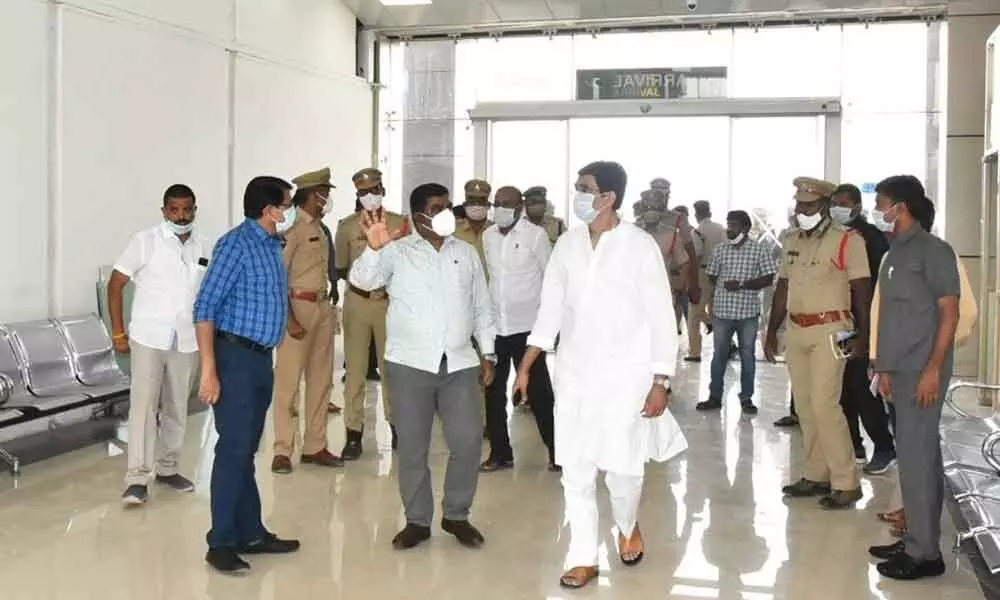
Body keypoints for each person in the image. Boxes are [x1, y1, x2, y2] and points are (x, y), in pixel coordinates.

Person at [515, 161, 687, 590]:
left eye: (584, 188)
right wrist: (528, 361)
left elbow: (662, 317)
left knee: (623, 472)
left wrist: (661, 380)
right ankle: (582, 555)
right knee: (576, 468)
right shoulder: (567, 245)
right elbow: (551, 306)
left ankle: (627, 524)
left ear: (608, 197)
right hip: (573, 374)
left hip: (626, 376)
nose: (577, 193)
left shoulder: (639, 245)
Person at [350, 182, 497, 551]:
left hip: (460, 361)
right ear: (419, 215)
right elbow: (363, 280)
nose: (447, 212)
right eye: (438, 207)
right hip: (409, 364)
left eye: (449, 205)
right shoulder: (396, 252)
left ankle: (457, 514)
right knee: (413, 448)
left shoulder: (465, 252)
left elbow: (482, 307)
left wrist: (489, 353)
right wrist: (372, 246)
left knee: (466, 442)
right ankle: (417, 520)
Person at [194, 176, 300, 574]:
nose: (289, 210)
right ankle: (220, 542)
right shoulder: (236, 245)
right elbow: (204, 308)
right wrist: (210, 371)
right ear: (269, 209)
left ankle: (250, 532)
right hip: (234, 358)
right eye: (286, 204)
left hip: (259, 359)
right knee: (233, 450)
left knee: (245, 450)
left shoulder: (272, 245)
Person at [866, 176, 960, 581]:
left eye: (882, 203)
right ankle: (917, 537)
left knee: (918, 460)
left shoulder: (934, 251)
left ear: (900, 206)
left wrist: (934, 369)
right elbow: (890, 318)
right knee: (919, 459)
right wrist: (884, 369)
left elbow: (949, 313)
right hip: (898, 371)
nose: (878, 209)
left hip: (923, 372)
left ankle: (925, 554)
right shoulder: (892, 253)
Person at [764, 176, 872, 510]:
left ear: (824, 205)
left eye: (808, 205)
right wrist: (771, 331)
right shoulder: (792, 239)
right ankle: (816, 474)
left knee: (826, 404)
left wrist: (865, 336)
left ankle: (846, 481)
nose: (801, 210)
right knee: (806, 407)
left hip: (833, 329)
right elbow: (783, 286)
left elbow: (863, 291)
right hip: (797, 331)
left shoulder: (848, 240)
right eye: (799, 205)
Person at [109, 184, 208, 507]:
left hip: (186, 339)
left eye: (187, 209)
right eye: (174, 209)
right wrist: (119, 333)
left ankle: (168, 469)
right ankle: (137, 478)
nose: (181, 216)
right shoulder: (145, 241)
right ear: (164, 210)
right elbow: (116, 283)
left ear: (194, 210)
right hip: (149, 337)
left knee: (178, 406)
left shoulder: (202, 245)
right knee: (144, 407)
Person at [270, 168, 344, 474]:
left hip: (322, 308)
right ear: (310, 195)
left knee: (321, 381)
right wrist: (289, 320)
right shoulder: (293, 228)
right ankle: (282, 450)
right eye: (323, 193)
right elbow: (278, 278)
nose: (327, 198)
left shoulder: (322, 229)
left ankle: (315, 445)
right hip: (297, 307)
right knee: (288, 384)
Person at [480, 186, 556, 473]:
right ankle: (500, 453)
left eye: (507, 204)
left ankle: (557, 452)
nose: (500, 209)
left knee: (539, 394)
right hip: (496, 328)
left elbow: (551, 279)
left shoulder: (535, 236)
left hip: (527, 329)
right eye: (497, 204)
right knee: (493, 391)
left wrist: (548, 325)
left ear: (520, 206)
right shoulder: (487, 237)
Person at [335, 168, 407, 459]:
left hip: (390, 303)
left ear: (383, 190)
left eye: (374, 190)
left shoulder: (401, 224)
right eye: (363, 193)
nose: (369, 196)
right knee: (355, 370)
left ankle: (398, 426)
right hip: (358, 302)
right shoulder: (347, 226)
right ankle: (353, 434)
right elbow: (340, 266)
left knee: (392, 369)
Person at [830, 183, 896, 473]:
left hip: (861, 322)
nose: (836, 208)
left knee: (861, 386)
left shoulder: (869, 237)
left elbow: (873, 287)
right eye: (834, 203)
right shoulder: (832, 235)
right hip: (839, 322)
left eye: (842, 203)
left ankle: (883, 446)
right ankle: (853, 443)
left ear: (856, 206)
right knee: (842, 385)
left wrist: (868, 333)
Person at [697, 210, 778, 415]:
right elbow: (712, 275)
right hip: (723, 312)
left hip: (747, 314)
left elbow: (768, 278)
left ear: (746, 228)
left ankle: (747, 398)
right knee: (719, 357)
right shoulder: (720, 250)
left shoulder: (758, 250)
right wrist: (723, 289)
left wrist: (742, 285)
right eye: (728, 225)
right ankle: (714, 397)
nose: (730, 230)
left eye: (734, 226)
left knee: (747, 357)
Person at [636, 189, 689, 335]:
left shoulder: (671, 235)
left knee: (660, 340)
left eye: (655, 206)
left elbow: (684, 262)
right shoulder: (630, 232)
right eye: (648, 206)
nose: (651, 209)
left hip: (662, 296)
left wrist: (678, 288)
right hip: (634, 297)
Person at [650, 177, 701, 307]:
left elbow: (690, 251)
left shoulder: (678, 219)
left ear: (668, 195)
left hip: (674, 279)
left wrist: (693, 284)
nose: (659, 196)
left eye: (663, 192)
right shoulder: (640, 219)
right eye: (656, 192)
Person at [687, 200, 727, 361]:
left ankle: (695, 352)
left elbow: (696, 255)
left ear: (696, 214)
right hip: (720, 275)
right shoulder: (721, 229)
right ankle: (724, 348)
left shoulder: (697, 231)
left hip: (702, 274)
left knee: (694, 315)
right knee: (717, 313)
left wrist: (692, 281)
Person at [455, 179, 493, 273]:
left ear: (488, 205)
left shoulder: (496, 231)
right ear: (464, 204)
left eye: (481, 200)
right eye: (472, 200)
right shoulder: (452, 230)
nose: (476, 204)